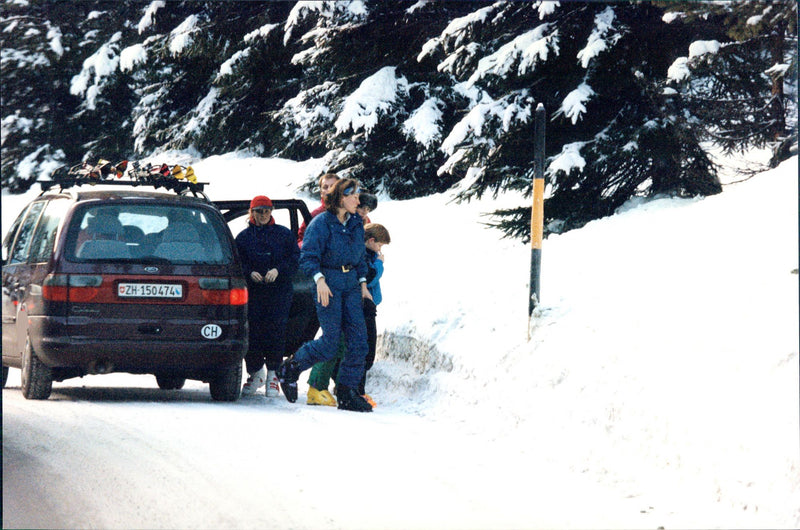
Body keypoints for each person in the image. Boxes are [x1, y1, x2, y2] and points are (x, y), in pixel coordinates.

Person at [277, 178, 373, 412]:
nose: (358, 201)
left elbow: (360, 258)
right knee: (330, 343)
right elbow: (308, 256)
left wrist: (363, 284)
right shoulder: (320, 224)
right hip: (328, 285)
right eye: (354, 196)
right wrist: (319, 279)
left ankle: (347, 392)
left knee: (359, 342)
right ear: (342, 198)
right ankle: (290, 368)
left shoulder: (355, 224)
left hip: (351, 285)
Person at [305, 194, 383, 407]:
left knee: (350, 344)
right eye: (362, 208)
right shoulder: (331, 222)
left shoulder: (358, 225)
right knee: (334, 341)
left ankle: (347, 388)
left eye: (367, 211)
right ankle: (316, 386)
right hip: (334, 289)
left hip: (354, 295)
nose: (364, 213)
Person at [236, 195, 299, 397]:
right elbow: (237, 261)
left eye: (266, 210)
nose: (263, 215)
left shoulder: (284, 235)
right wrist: (249, 272)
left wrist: (278, 270)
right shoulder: (243, 237)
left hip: (278, 291)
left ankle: (274, 374)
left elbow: (295, 258)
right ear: (251, 212)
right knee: (252, 331)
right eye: (258, 211)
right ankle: (255, 373)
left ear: (271, 211)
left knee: (276, 330)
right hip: (253, 292)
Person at [297, 172, 339, 246]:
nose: (329, 190)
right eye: (325, 187)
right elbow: (301, 240)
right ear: (321, 193)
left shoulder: (354, 213)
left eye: (333, 186)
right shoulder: (314, 216)